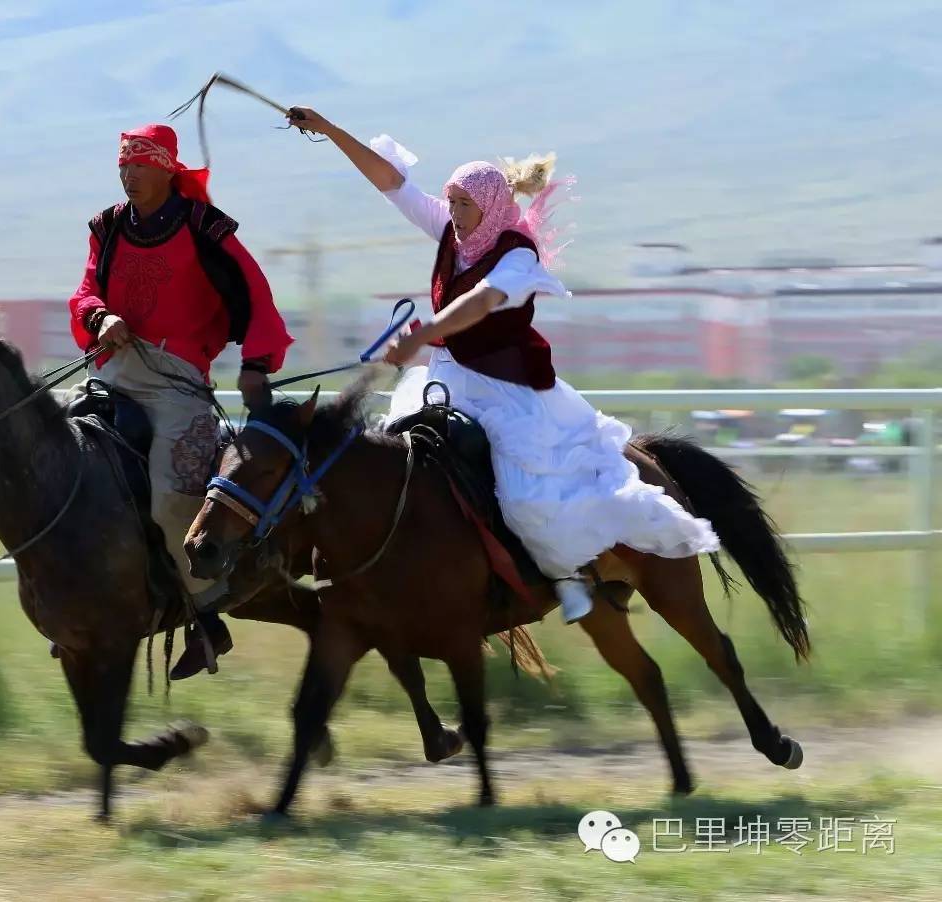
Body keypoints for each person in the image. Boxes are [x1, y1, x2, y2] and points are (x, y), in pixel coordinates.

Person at [285, 107, 719, 624]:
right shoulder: (452, 227)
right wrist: (329, 131)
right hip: (445, 379)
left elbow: (484, 302)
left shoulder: (519, 257)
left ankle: (567, 577)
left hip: (507, 391)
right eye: (451, 201)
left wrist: (424, 333)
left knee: (524, 494)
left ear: (489, 206)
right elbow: (391, 182)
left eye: (464, 204)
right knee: (394, 463)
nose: (454, 212)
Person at [67, 123, 293, 677]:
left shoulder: (204, 228)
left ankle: (206, 617)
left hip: (178, 381)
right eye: (123, 166)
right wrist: (101, 316)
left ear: (167, 168)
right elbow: (86, 289)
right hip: (114, 369)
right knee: (59, 460)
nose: (129, 175)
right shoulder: (109, 228)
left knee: (171, 498)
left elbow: (255, 292)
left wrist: (257, 365)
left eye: (139, 165)